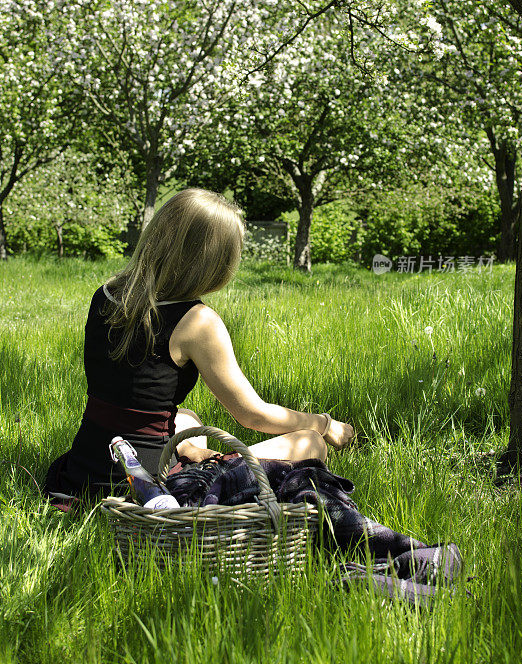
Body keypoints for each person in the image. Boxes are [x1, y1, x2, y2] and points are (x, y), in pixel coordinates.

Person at [44, 188, 355, 507]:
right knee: (310, 443)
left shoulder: (107, 294)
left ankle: (201, 456)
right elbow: (252, 415)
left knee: (187, 418)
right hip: (146, 488)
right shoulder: (198, 322)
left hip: (86, 467)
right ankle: (207, 470)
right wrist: (323, 423)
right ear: (214, 262)